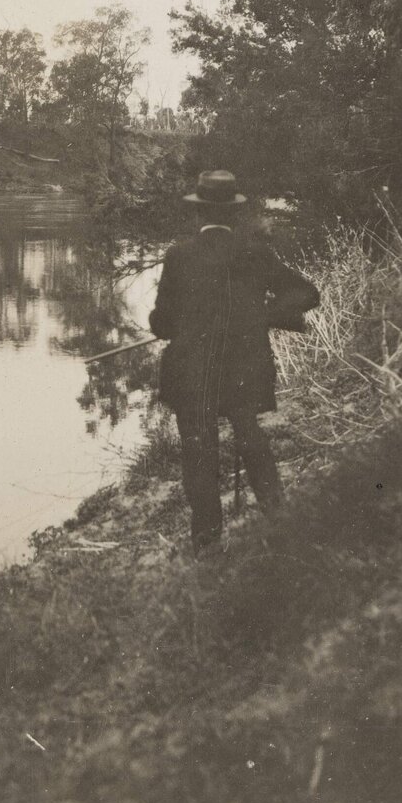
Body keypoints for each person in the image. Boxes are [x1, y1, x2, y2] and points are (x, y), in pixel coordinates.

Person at [149, 170, 320, 554]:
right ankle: (279, 519)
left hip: (193, 373)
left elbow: (161, 325)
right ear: (234, 214)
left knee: (198, 447)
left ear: (199, 213)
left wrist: (185, 323)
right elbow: (306, 293)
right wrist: (263, 316)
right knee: (249, 433)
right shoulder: (254, 252)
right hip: (244, 368)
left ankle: (207, 543)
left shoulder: (179, 256)